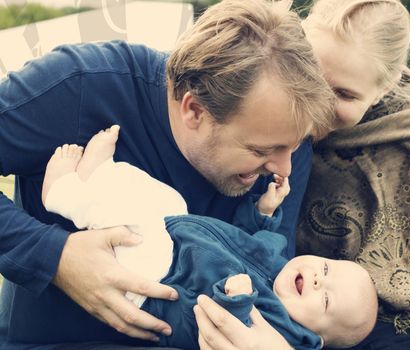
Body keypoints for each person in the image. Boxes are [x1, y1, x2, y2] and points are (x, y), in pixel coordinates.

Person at [0, 0, 335, 348]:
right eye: (259, 151)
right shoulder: (84, 86)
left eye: (292, 149)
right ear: (194, 110)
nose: (283, 169)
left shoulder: (280, 143)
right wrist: (55, 256)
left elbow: (277, 294)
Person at [193, 1, 410, 349]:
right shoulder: (256, 100)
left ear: (385, 86)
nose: (317, 102)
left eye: (343, 93)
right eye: (312, 75)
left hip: (408, 323)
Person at [21, 125, 377, 349]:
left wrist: (237, 301)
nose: (317, 280)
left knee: (137, 236)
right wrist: (265, 212)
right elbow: (252, 237)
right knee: (166, 201)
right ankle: (100, 175)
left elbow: (231, 331)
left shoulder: (282, 332)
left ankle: (63, 195)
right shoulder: (278, 263)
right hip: (178, 236)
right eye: (327, 270)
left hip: (159, 288)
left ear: (317, 339)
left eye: (326, 300)